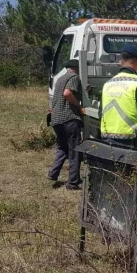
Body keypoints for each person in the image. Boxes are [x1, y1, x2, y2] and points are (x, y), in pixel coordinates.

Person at [47, 59, 85, 190]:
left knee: (62, 147)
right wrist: (79, 107)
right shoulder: (74, 77)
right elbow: (67, 93)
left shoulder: (61, 79)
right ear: (76, 68)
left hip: (56, 119)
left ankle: (53, 173)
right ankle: (73, 182)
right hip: (69, 118)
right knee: (74, 150)